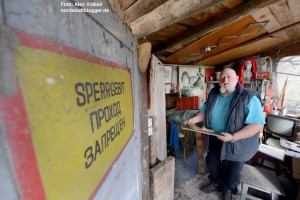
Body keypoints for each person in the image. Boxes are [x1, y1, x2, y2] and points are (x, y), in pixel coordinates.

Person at [184, 68, 265, 200]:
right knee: (212, 162)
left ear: (238, 79)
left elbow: (257, 125)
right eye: (222, 77)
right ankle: (215, 182)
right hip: (215, 136)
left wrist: (233, 137)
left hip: (237, 141)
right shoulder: (214, 94)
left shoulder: (248, 96)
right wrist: (193, 119)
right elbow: (204, 112)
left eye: (229, 77)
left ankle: (229, 189)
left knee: (232, 169)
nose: (225, 79)